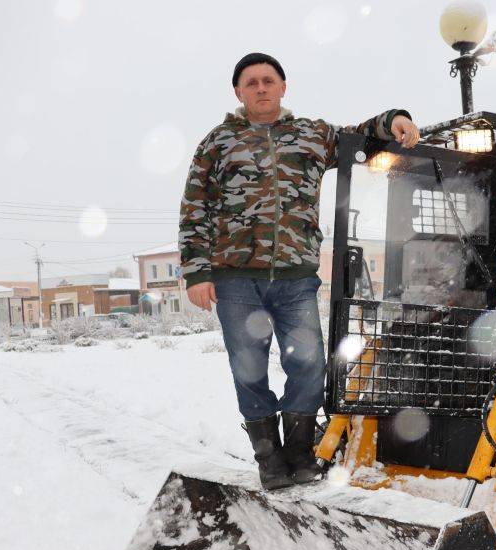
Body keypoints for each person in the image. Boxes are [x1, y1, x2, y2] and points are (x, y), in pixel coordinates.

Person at [179, 52, 420, 490]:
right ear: (238, 92)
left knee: (308, 363)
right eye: (251, 82)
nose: (261, 88)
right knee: (248, 368)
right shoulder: (217, 143)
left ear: (283, 87)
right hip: (235, 278)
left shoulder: (311, 134)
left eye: (268, 80)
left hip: (296, 277)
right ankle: (269, 459)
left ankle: (299, 453)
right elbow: (195, 208)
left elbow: (361, 134)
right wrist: (197, 273)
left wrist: (396, 119)